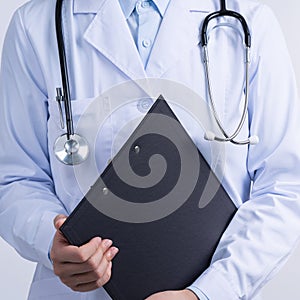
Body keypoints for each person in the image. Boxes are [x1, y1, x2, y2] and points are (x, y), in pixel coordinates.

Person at [0, 0, 300, 299]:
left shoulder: (250, 22)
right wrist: (51, 241)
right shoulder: (35, 26)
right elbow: (14, 178)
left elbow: (285, 185)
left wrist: (208, 292)